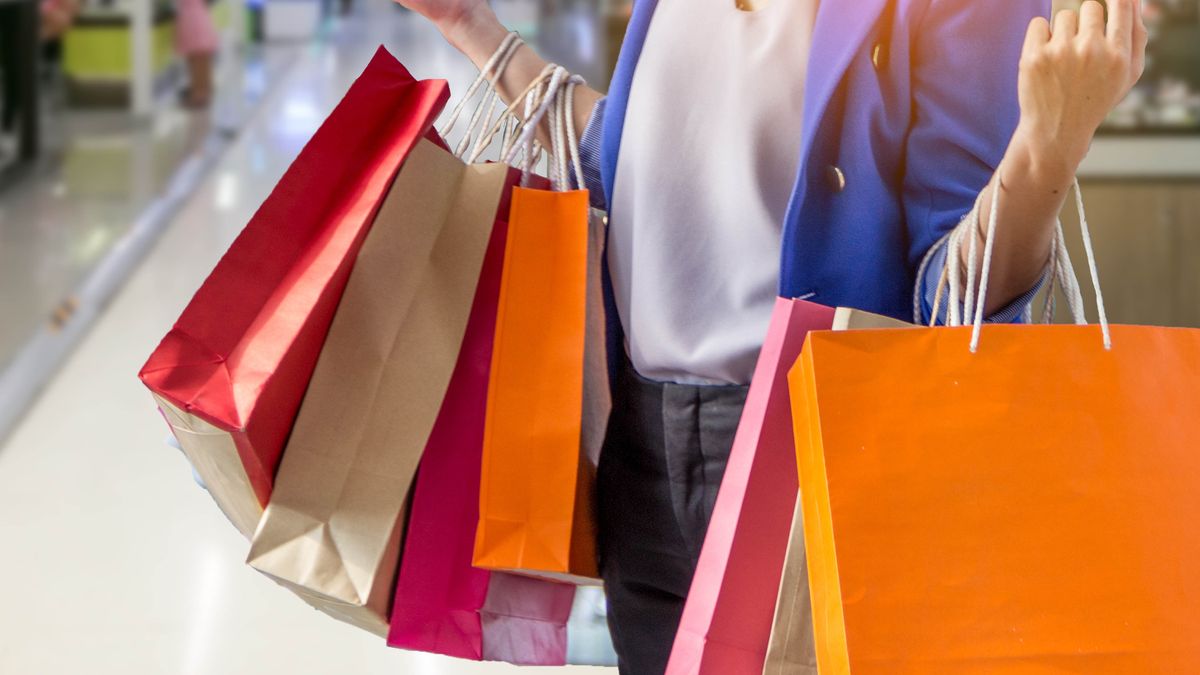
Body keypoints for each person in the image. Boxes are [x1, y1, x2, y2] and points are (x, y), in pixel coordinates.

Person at [396, 0, 1147, 672]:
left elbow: (950, 299)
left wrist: (1047, 149)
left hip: (811, 461)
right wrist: (472, 26)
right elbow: (640, 165)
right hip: (641, 457)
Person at [176, 0, 220, 108]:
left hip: (192, 17)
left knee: (197, 57)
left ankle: (198, 94)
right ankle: (204, 90)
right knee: (202, 56)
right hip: (199, 14)